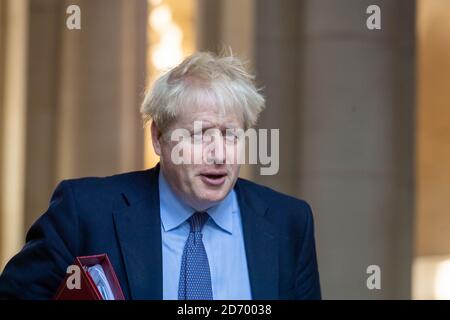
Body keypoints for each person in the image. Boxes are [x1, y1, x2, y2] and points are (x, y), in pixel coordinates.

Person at [0, 52, 321, 299]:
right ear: (158, 136)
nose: (219, 154)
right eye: (199, 134)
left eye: (230, 135)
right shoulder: (84, 213)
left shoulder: (288, 222)